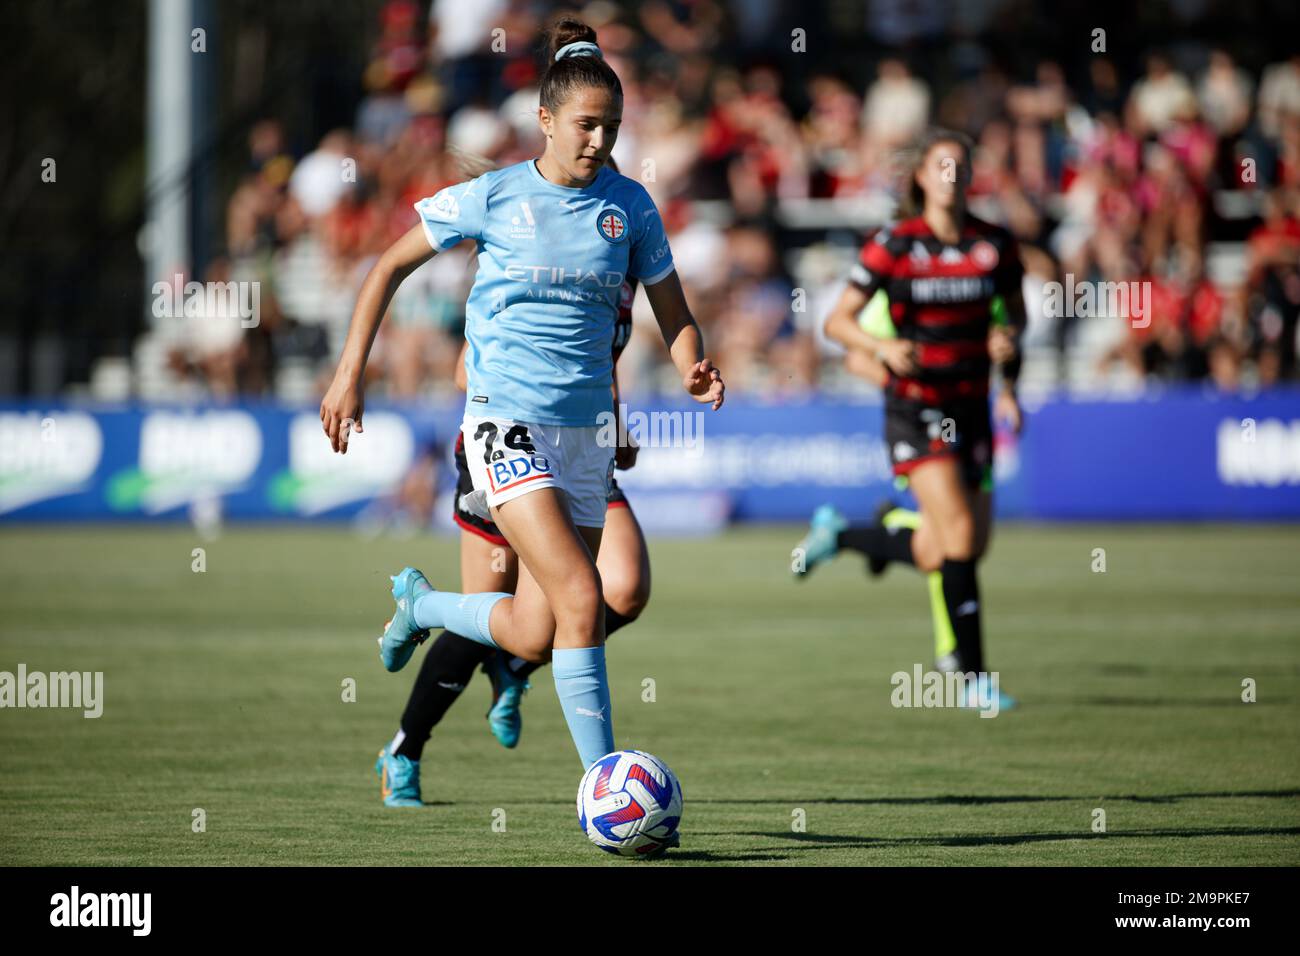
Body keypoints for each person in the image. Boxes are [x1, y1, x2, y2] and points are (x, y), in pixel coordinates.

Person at [320, 16, 723, 784]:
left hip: (584, 439)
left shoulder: (631, 208)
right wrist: (350, 373)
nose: (599, 140)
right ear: (544, 120)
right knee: (583, 593)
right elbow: (385, 267)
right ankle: (608, 789)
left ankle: (425, 608)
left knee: (535, 632)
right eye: (585, 125)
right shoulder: (494, 196)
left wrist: (693, 363)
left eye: (610, 126)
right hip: (503, 424)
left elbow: (672, 313)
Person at [376, 269, 651, 807]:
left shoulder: (624, 267)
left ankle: (516, 667)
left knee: (626, 586)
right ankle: (405, 750)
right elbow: (464, 372)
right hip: (508, 450)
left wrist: (611, 423)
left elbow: (600, 365)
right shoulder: (541, 259)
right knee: (492, 616)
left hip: (582, 451)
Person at [797, 128, 1023, 708]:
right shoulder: (895, 243)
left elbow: (1012, 323)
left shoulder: (995, 245)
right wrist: (882, 350)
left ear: (971, 176)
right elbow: (837, 324)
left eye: (961, 164)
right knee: (961, 537)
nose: (951, 174)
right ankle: (971, 676)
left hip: (971, 406)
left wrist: (1009, 375)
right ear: (921, 177)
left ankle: (846, 537)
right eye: (940, 164)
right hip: (915, 407)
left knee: (945, 548)